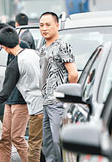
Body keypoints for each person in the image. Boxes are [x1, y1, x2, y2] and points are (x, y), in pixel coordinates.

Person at [0, 27, 43, 162]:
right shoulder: (32, 53)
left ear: (3, 47)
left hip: (28, 104)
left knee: (18, 138)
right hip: (35, 102)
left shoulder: (15, 64)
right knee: (6, 138)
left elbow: (4, 93)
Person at [39, 12, 78, 162]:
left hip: (58, 102)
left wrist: (69, 97)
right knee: (47, 144)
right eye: (41, 25)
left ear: (57, 25)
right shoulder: (43, 48)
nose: (44, 28)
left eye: (48, 25)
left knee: (58, 142)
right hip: (45, 102)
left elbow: (73, 74)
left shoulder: (63, 45)